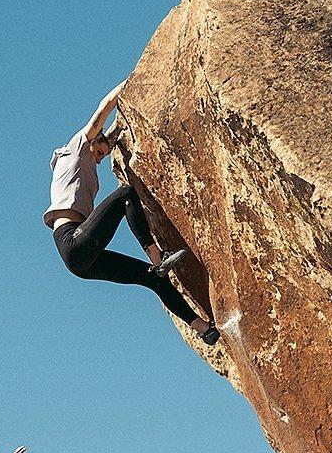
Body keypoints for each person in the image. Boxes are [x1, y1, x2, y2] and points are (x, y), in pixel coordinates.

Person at [43, 79, 220, 345]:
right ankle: (156, 254)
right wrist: (129, 85)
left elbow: (109, 135)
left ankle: (203, 328)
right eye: (100, 152)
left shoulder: (85, 161)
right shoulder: (75, 149)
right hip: (72, 241)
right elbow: (103, 110)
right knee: (126, 194)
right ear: (91, 143)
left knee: (152, 278)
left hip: (82, 259)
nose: (101, 158)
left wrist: (120, 128)